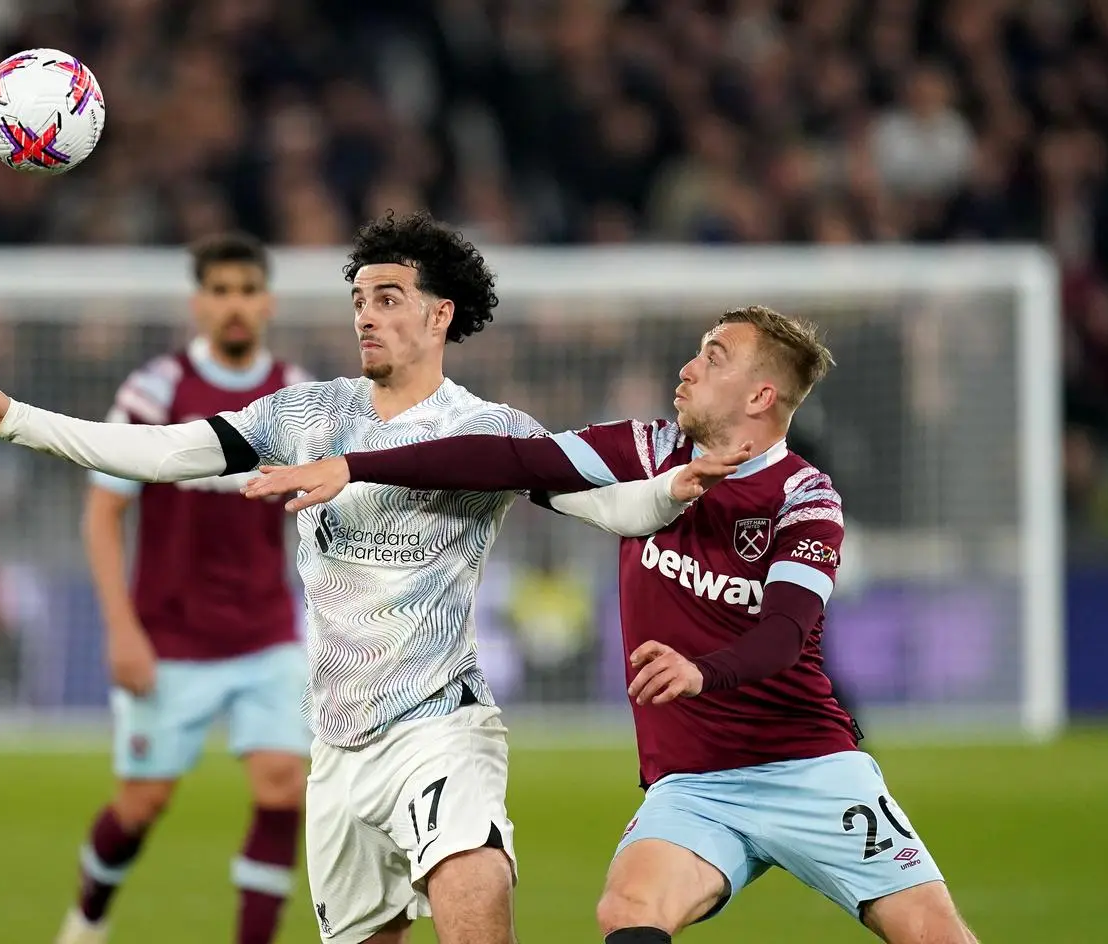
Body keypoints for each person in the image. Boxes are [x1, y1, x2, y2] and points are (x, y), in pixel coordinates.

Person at [0, 210, 696, 944]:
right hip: (338, 750)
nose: (366, 317)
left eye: (388, 300)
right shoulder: (309, 412)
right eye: (359, 301)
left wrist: (676, 489)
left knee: (473, 888)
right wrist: (18, 418)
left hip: (439, 724)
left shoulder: (492, 430)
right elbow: (162, 452)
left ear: (441, 316)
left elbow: (615, 511)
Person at [240, 305, 979, 944]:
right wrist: (358, 465)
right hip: (693, 787)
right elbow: (511, 458)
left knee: (931, 932)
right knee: (626, 907)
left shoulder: (806, 497)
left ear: (761, 394)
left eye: (713, 356)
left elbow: (786, 633)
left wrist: (701, 670)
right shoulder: (649, 452)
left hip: (810, 768)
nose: (687, 367)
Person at [57, 234, 312, 944]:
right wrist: (121, 628)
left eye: (247, 291)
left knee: (282, 787)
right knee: (141, 804)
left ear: (268, 302)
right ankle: (87, 918)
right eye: (221, 291)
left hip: (266, 632)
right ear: (199, 303)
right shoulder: (154, 392)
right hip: (167, 638)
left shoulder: (298, 396)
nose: (235, 306)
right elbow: (104, 511)